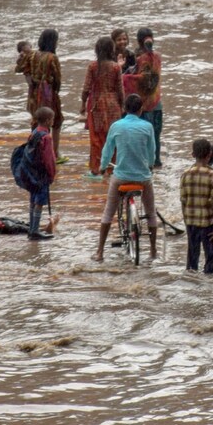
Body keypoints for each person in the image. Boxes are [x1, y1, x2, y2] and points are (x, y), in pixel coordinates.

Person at [93, 94, 157, 262]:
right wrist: (149, 166)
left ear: (124, 109)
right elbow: (152, 153)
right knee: (150, 212)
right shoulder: (148, 127)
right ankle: (153, 251)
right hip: (143, 177)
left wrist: (102, 167)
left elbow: (107, 151)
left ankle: (99, 252)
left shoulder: (116, 126)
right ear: (141, 109)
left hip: (121, 177)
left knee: (108, 212)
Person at [81, 36, 124, 179]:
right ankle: (112, 168)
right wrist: (122, 106)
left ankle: (96, 169)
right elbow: (120, 89)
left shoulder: (93, 66)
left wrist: (82, 104)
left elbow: (86, 88)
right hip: (113, 105)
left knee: (97, 138)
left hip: (97, 105)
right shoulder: (116, 67)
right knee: (113, 137)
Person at [180, 138, 213, 274]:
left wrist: (186, 220)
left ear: (193, 155)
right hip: (208, 222)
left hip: (191, 221)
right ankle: (209, 282)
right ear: (210, 155)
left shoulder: (185, 174)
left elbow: (183, 200)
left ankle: (191, 282)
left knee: (192, 259)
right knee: (210, 258)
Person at [26, 29, 67, 164]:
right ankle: (54, 153)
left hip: (34, 93)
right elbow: (58, 78)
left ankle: (35, 151)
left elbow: (22, 68)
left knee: (36, 121)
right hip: (48, 94)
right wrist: (56, 90)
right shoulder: (52, 57)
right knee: (56, 121)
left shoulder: (32, 55)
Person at [125, 27, 163, 169]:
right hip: (157, 101)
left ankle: (145, 162)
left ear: (138, 40)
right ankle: (156, 161)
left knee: (144, 135)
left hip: (143, 105)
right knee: (156, 134)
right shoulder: (158, 56)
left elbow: (140, 79)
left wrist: (126, 76)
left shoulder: (137, 57)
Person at [25, 106, 59, 240]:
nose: (53, 122)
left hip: (31, 173)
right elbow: (49, 158)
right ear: (47, 121)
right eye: (52, 119)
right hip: (42, 175)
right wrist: (52, 174)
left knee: (33, 200)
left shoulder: (33, 133)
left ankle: (32, 228)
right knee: (39, 201)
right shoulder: (46, 137)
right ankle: (34, 231)